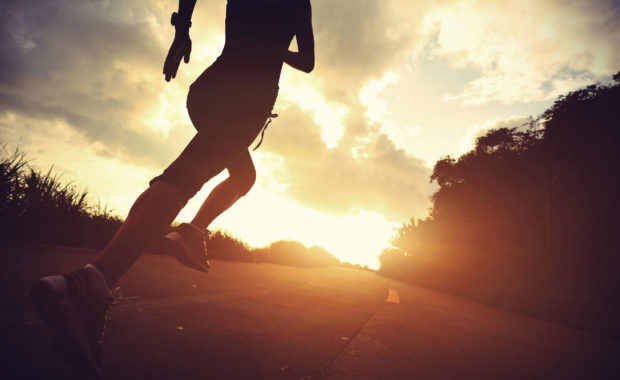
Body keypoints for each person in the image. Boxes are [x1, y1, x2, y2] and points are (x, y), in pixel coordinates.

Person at [30, 0, 315, 373]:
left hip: (210, 90)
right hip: (246, 101)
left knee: (240, 176)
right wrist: (273, 48)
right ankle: (88, 285)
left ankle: (189, 233)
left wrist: (183, 29)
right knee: (185, 178)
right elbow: (307, 61)